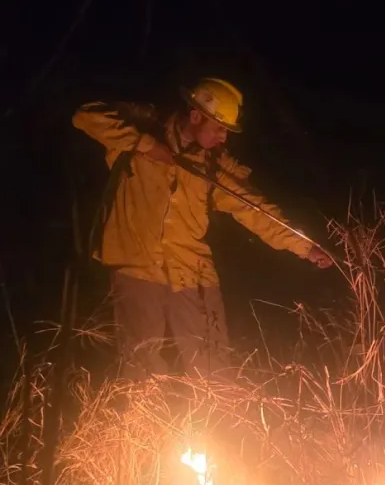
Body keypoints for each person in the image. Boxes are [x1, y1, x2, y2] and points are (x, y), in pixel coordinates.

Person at [73, 77, 336, 379]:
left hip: (193, 272)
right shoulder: (135, 136)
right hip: (135, 267)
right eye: (219, 127)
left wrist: (305, 247)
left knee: (213, 367)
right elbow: (84, 116)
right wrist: (146, 144)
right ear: (196, 116)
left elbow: (256, 210)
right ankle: (143, 426)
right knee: (139, 368)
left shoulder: (213, 167)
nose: (224, 137)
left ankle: (218, 422)